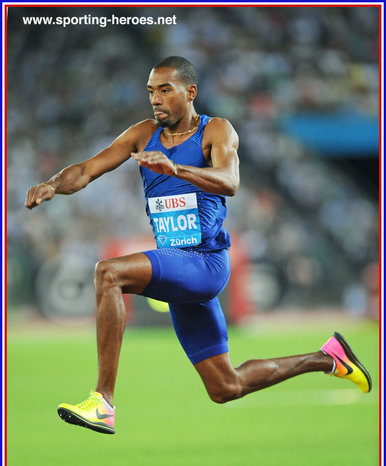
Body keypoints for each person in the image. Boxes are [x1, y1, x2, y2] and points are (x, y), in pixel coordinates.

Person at [25, 56, 372, 435]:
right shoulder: (142, 134)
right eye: (150, 92)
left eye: (164, 90)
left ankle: (103, 402)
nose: (155, 99)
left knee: (108, 272)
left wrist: (177, 169)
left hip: (205, 264)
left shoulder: (216, 131)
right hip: (181, 273)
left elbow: (230, 181)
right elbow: (87, 170)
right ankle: (327, 359)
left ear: (190, 92)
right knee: (226, 386)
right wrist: (54, 184)